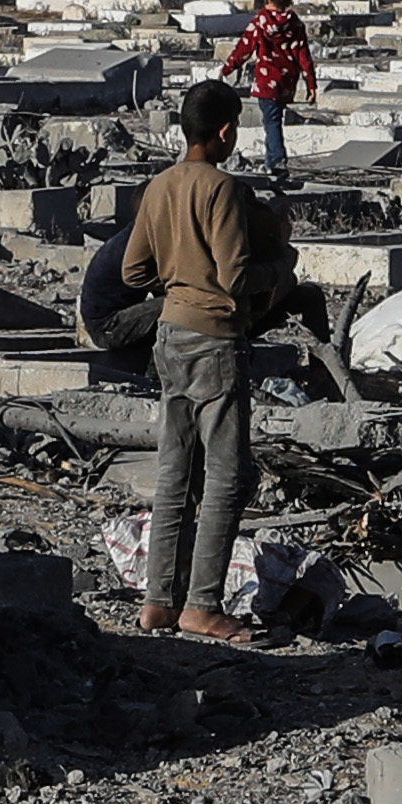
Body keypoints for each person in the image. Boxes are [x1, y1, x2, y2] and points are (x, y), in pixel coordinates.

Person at [115, 78, 289, 643]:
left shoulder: (158, 187)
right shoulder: (224, 190)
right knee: (224, 479)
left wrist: (177, 281)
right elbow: (236, 276)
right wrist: (279, 274)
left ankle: (158, 601)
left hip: (169, 338)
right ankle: (203, 605)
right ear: (223, 131)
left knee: (174, 476)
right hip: (215, 338)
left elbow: (133, 272)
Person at [219, 0, 315, 186]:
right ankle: (273, 159)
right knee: (275, 120)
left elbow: (244, 49)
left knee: (271, 122)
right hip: (286, 81)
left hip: (266, 80)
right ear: (288, 0)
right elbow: (304, 55)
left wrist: (228, 68)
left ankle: (277, 161)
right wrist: (311, 84)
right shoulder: (295, 25)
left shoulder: (260, 22)